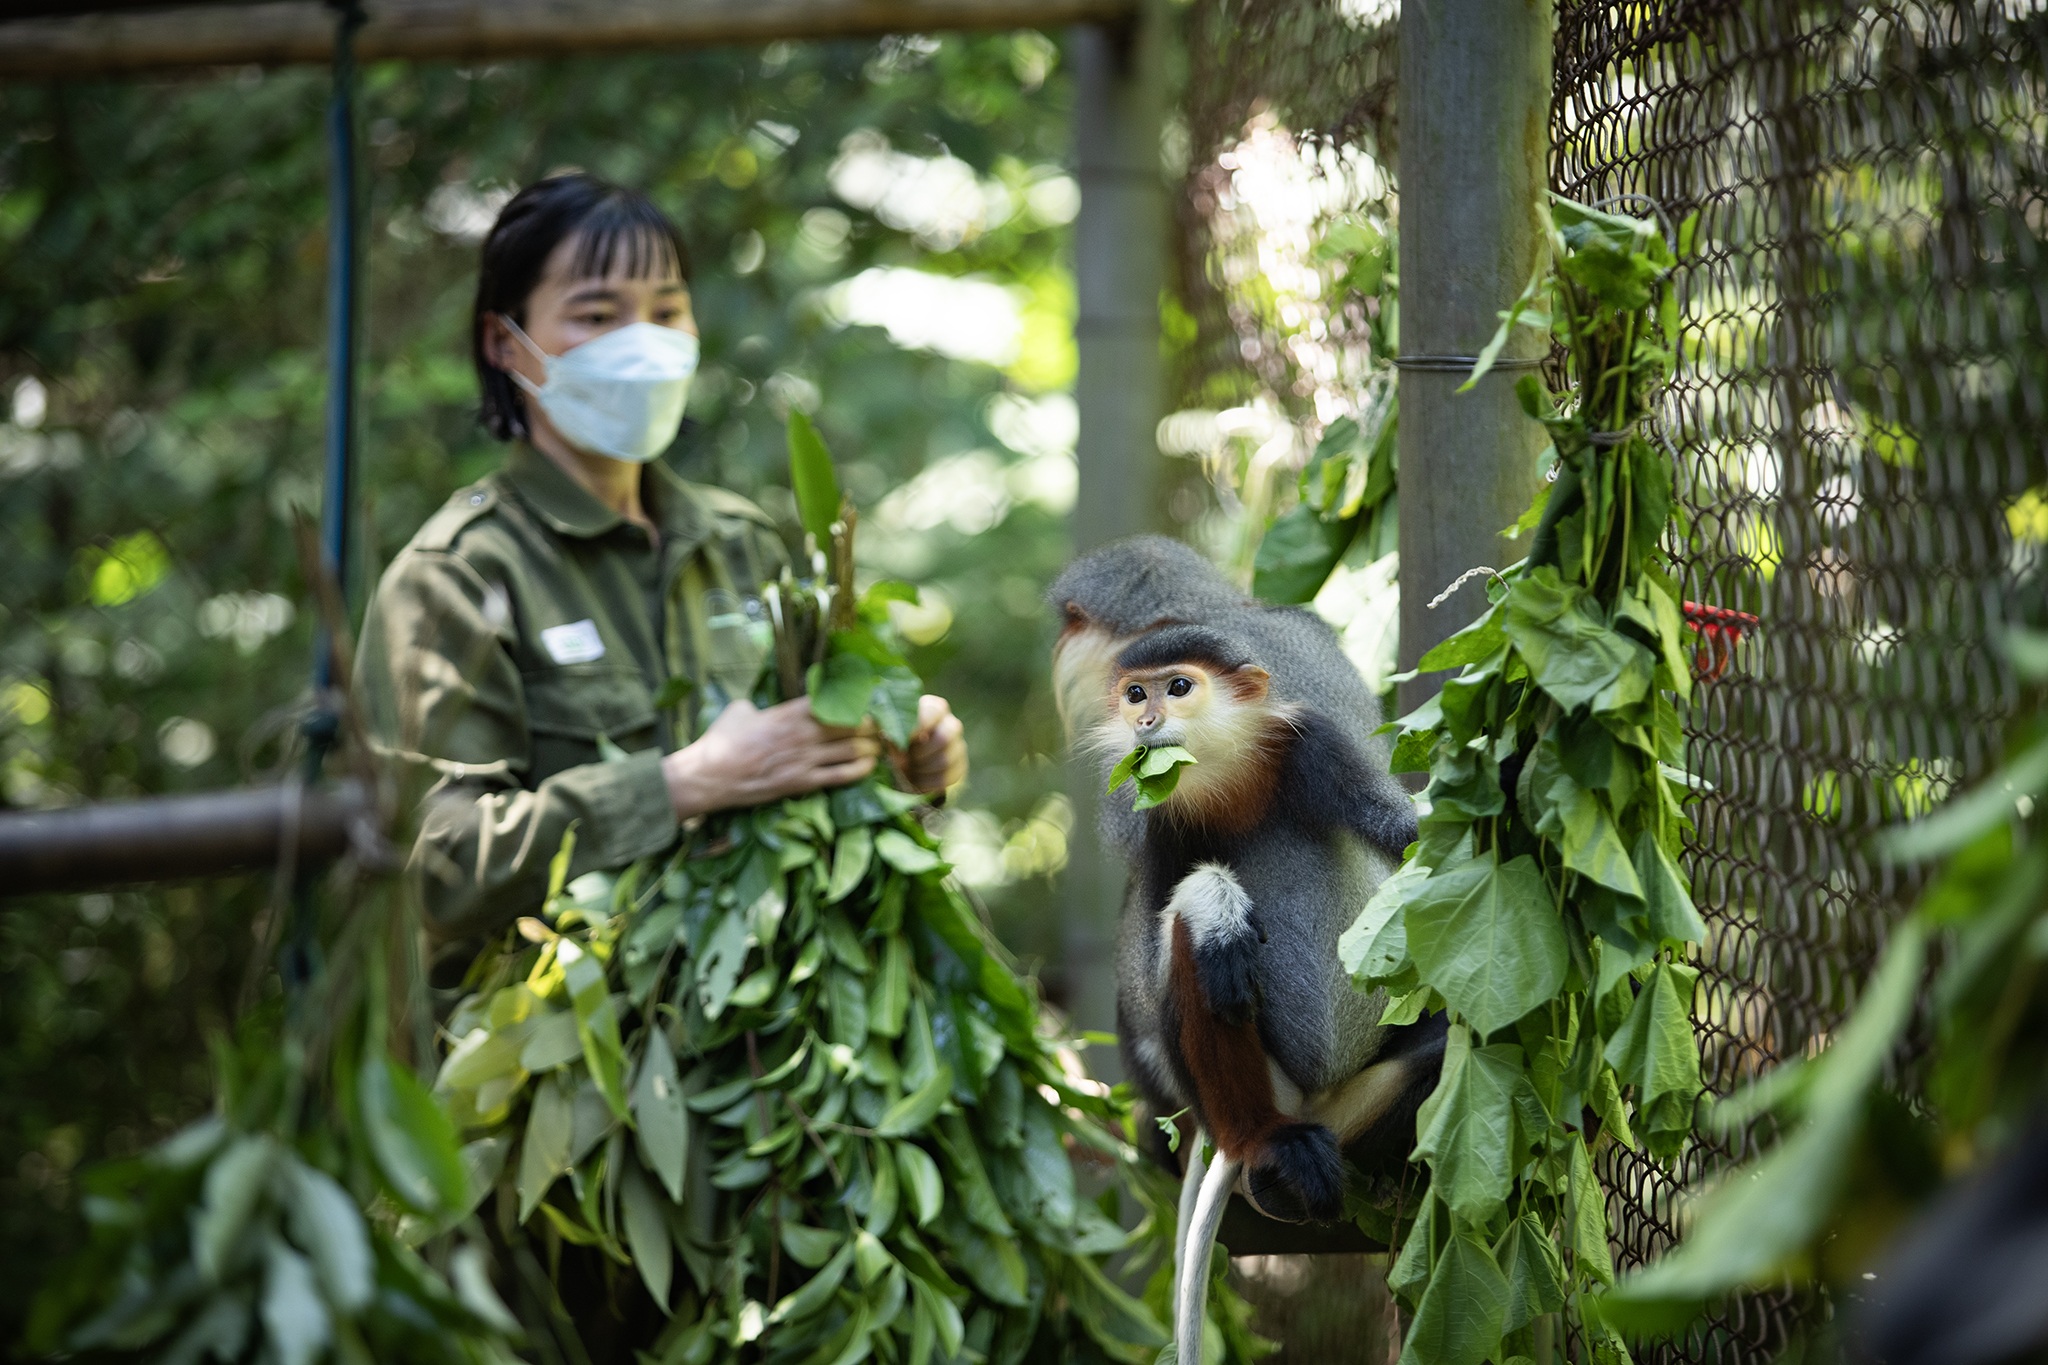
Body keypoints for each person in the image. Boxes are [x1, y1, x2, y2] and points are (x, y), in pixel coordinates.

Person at [355, 173, 967, 967]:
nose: (640, 342)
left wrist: (904, 764)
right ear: (504, 341)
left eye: (667, 311)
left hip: (760, 1038)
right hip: (552, 1054)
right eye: (597, 314)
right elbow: (434, 865)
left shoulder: (745, 544)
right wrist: (680, 785)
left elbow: (819, 798)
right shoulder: (459, 577)